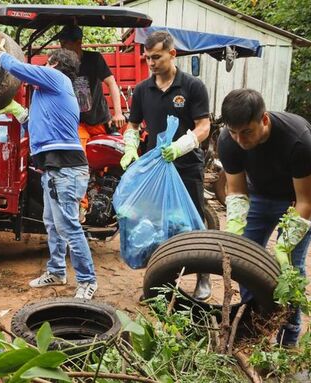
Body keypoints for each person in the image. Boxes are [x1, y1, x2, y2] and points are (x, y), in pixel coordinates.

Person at [0, 42, 98, 299]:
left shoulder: (57, 77)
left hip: (66, 169)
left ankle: (88, 280)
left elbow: (19, 69)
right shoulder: (49, 94)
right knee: (52, 223)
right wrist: (18, 112)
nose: (44, 67)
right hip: (54, 169)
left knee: (68, 226)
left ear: (55, 64)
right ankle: (57, 271)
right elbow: (36, 125)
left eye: (46, 63)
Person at [218, 88, 311, 346]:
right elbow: (235, 190)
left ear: (264, 120)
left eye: (246, 131)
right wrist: (236, 230)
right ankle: (253, 321)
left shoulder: (298, 142)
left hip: (301, 197)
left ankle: (287, 337)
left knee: (290, 266)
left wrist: (284, 245)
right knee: (244, 258)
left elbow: (306, 201)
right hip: (261, 193)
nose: (239, 140)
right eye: (234, 132)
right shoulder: (228, 140)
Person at [120, 30, 211, 300]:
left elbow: (204, 126)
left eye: (156, 57)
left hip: (186, 167)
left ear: (172, 54)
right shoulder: (142, 90)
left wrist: (180, 146)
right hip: (155, 170)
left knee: (194, 223)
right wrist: (129, 146)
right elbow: (133, 125)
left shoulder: (192, 87)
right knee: (158, 226)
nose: (151, 62)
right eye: (147, 58)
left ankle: (203, 277)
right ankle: (162, 284)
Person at [58, 25, 127, 220]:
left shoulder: (94, 59)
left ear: (78, 42)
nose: (62, 46)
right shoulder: (62, 63)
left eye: (66, 43)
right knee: (78, 159)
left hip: (99, 120)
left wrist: (118, 113)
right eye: (61, 43)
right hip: (77, 122)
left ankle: (109, 196)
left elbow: (112, 83)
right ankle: (79, 206)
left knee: (117, 157)